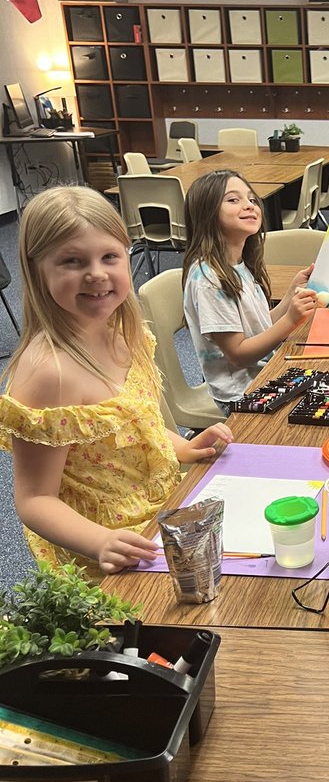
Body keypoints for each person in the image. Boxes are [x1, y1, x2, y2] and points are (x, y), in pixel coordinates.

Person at [0, 186, 233, 579]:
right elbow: (35, 498)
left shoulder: (126, 333)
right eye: (72, 261)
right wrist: (99, 541)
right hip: (105, 550)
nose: (96, 273)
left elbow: (139, 425)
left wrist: (184, 447)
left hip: (161, 516)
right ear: (36, 269)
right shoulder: (48, 374)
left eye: (109, 256)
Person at [182, 170, 318, 412]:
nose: (249, 206)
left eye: (252, 199)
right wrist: (290, 320)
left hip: (264, 374)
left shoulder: (238, 264)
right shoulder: (209, 279)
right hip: (241, 394)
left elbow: (260, 328)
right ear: (207, 213)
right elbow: (239, 354)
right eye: (233, 200)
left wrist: (290, 297)